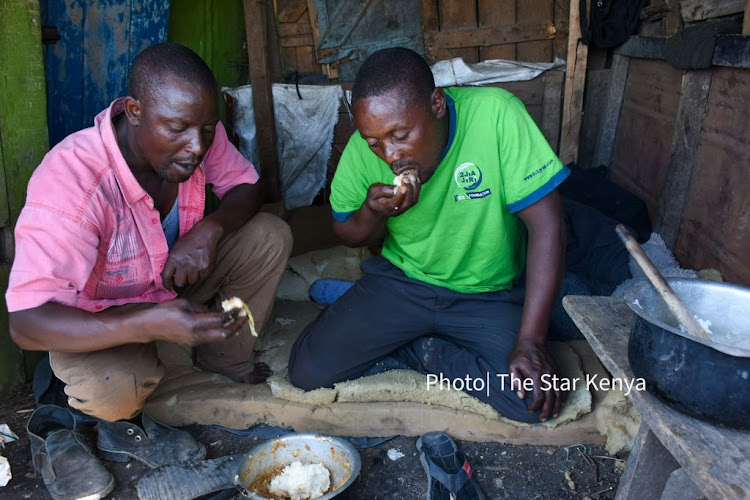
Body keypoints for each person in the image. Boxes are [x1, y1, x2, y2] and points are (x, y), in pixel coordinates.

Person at [6, 43, 291, 499]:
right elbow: (26, 322)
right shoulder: (73, 180)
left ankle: (224, 358)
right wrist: (148, 323)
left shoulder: (195, 130)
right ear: (134, 111)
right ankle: (80, 418)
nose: (197, 146)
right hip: (106, 318)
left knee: (268, 236)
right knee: (116, 387)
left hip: (174, 284)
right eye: (178, 129)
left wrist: (209, 230)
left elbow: (247, 185)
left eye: (207, 129)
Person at [288, 47, 569, 425]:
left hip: (487, 293)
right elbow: (346, 233)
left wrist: (532, 341)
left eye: (400, 135)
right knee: (307, 372)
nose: (389, 153)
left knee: (533, 398)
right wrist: (373, 213)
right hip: (403, 284)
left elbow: (548, 223)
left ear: (436, 103)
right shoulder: (363, 148)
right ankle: (410, 337)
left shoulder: (496, 114)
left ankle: (423, 350)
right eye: (375, 142)